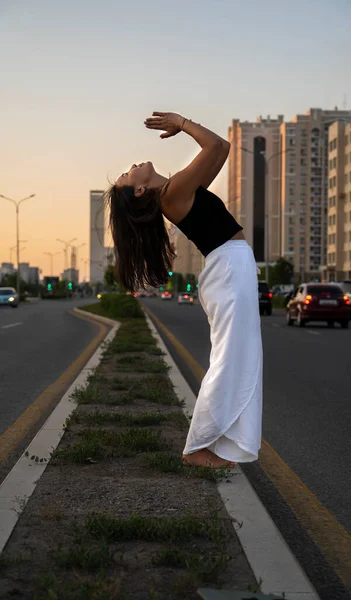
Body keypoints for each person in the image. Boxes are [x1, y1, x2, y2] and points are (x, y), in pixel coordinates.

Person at [105, 112, 263, 469]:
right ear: (140, 189)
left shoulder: (178, 189)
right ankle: (197, 447)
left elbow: (220, 151)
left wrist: (184, 125)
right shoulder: (173, 194)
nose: (132, 166)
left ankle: (220, 442)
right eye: (128, 174)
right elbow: (216, 145)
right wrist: (182, 122)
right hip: (228, 270)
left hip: (230, 268)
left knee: (240, 356)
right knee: (232, 358)